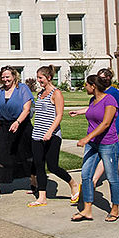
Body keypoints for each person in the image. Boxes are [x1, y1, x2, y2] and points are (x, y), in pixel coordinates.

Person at [72, 74, 119, 222]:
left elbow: (105, 123)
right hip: (93, 144)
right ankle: (87, 209)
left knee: (112, 177)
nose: (84, 87)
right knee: (86, 175)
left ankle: (115, 208)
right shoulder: (93, 100)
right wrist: (79, 112)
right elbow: (93, 111)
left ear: (93, 86)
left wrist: (86, 138)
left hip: (108, 144)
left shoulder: (110, 100)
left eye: (86, 84)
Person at [29, 65, 79, 207]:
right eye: (38, 78)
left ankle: (73, 184)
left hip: (52, 135)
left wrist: (50, 132)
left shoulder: (56, 93)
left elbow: (59, 115)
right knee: (39, 165)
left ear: (49, 77)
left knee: (52, 166)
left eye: (41, 78)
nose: (38, 81)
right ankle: (42, 197)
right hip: (37, 135)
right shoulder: (40, 94)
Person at [0, 66, 34, 198]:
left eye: (8, 76)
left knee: (26, 155)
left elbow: (26, 109)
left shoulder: (22, 89)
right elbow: (1, 111)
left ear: (14, 76)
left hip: (21, 126)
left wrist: (18, 122)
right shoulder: (0, 91)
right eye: (3, 77)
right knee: (0, 154)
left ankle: (35, 182)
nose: (5, 79)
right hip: (5, 127)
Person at [70, 68, 119, 184]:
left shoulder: (114, 93)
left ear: (108, 78)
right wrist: (79, 112)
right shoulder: (94, 97)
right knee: (114, 155)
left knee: (106, 153)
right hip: (97, 127)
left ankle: (94, 180)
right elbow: (93, 109)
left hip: (111, 127)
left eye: (101, 78)